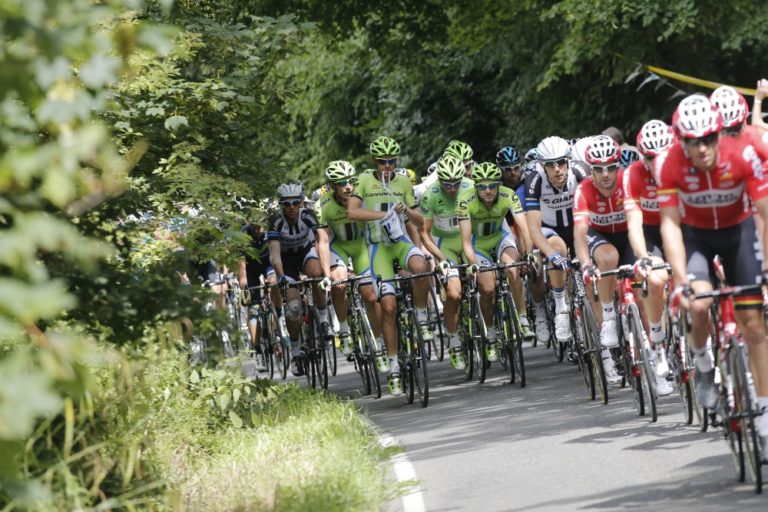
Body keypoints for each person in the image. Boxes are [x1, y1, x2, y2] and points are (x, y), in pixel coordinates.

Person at [657, 94, 768, 458]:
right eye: (694, 141)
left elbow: (765, 213)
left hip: (739, 234)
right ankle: (703, 364)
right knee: (700, 303)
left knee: (754, 326)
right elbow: (670, 224)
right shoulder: (670, 164)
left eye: (708, 138)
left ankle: (765, 415)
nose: (702, 148)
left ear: (719, 134)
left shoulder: (742, 154)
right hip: (697, 238)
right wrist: (681, 280)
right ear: (682, 142)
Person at [347, 136, 431, 396]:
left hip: (400, 243)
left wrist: (405, 210)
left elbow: (421, 221)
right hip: (378, 248)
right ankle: (394, 366)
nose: (387, 166)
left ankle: (421, 315)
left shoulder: (403, 181)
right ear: (375, 161)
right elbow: (352, 212)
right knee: (389, 307)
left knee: (421, 266)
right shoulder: (364, 180)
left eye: (392, 161)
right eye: (383, 161)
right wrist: (383, 214)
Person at [458, 162, 532, 364]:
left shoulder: (509, 195)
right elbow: (465, 242)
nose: (488, 191)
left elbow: (524, 231)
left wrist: (527, 255)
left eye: (492, 186)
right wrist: (473, 263)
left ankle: (523, 318)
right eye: (482, 187)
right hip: (478, 244)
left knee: (512, 269)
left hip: (501, 237)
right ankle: (490, 333)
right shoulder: (465, 201)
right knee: (488, 289)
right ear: (475, 186)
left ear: (499, 185)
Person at [574, 134, 633, 384]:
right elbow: (579, 234)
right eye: (599, 169)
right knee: (609, 258)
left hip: (628, 233)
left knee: (643, 284)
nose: (606, 174)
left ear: (618, 166)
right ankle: (608, 317)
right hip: (599, 236)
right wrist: (586, 264)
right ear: (591, 171)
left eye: (611, 167)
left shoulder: (628, 182)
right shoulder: (583, 190)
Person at [623, 119, 677, 395]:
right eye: (651, 158)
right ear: (642, 157)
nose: (657, 163)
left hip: (679, 228)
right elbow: (634, 223)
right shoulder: (632, 174)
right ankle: (657, 342)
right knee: (655, 281)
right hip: (651, 233)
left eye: (662, 155)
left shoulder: (684, 166)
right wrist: (643, 256)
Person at [315, 161, 382, 360]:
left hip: (361, 246)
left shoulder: (363, 198)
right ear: (332, 185)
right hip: (339, 247)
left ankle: (379, 341)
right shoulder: (323, 205)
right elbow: (323, 241)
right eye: (342, 183)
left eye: (351, 181)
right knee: (339, 284)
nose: (348, 187)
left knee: (371, 296)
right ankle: (344, 330)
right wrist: (326, 275)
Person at [525, 136, 588, 345]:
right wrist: (552, 255)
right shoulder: (534, 180)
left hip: (576, 225)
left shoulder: (579, 172)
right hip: (549, 228)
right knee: (558, 248)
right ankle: (561, 309)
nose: (557, 169)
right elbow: (533, 230)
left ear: (568, 160)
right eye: (551, 165)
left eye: (561, 162)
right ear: (542, 165)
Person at [268, 182, 329, 376]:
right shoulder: (276, 221)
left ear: (302, 201)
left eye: (296, 202)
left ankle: (323, 318)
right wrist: (280, 276)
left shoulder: (308, 215)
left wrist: (326, 272)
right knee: (293, 308)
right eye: (287, 204)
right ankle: (295, 351)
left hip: (305, 253)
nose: (292, 207)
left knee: (316, 273)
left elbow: (322, 240)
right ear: (281, 205)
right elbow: (274, 254)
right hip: (285, 261)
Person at [420, 155, 474, 370]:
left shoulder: (471, 186)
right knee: (454, 293)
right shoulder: (430, 194)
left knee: (488, 283)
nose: (452, 188)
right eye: (447, 184)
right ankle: (454, 340)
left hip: (469, 240)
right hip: (445, 244)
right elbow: (425, 234)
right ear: (439, 179)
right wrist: (441, 260)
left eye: (456, 183)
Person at [237, 209, 277, 372]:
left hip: (267, 264)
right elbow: (240, 261)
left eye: (261, 225)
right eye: (256, 226)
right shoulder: (244, 234)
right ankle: (258, 349)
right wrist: (243, 282)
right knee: (254, 308)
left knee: (275, 284)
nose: (259, 229)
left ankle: (277, 326)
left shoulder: (270, 231)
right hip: (250, 268)